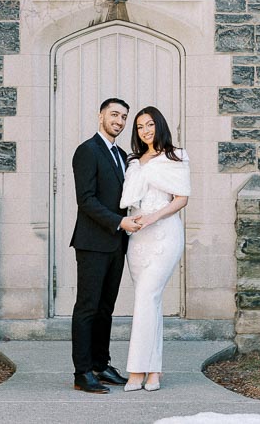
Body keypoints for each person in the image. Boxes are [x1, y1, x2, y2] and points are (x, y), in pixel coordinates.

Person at [69, 97, 139, 393]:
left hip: (116, 244)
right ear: (101, 116)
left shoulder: (122, 154)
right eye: (114, 115)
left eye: (124, 117)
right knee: (87, 307)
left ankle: (101, 364)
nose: (119, 121)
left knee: (105, 309)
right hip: (92, 242)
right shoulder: (87, 151)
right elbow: (86, 200)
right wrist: (118, 222)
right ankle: (82, 372)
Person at [119, 105, 190, 392]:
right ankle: (155, 372)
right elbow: (127, 198)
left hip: (164, 234)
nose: (145, 131)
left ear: (159, 125)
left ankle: (137, 370)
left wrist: (153, 217)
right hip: (138, 239)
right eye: (139, 127)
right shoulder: (134, 161)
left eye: (149, 125)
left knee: (146, 298)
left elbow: (181, 198)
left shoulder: (177, 155)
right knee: (151, 302)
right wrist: (133, 220)